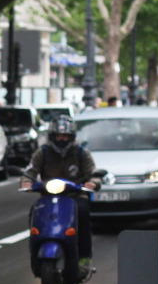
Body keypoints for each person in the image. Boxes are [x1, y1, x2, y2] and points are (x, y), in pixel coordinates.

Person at [20, 113, 101, 274]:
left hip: (75, 197)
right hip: (48, 197)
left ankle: (84, 257)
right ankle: (35, 254)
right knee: (34, 211)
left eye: (65, 136)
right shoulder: (42, 153)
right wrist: (26, 181)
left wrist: (93, 183)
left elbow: (94, 174)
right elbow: (30, 171)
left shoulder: (82, 153)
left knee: (82, 212)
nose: (61, 139)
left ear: (71, 136)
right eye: (58, 135)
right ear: (52, 136)